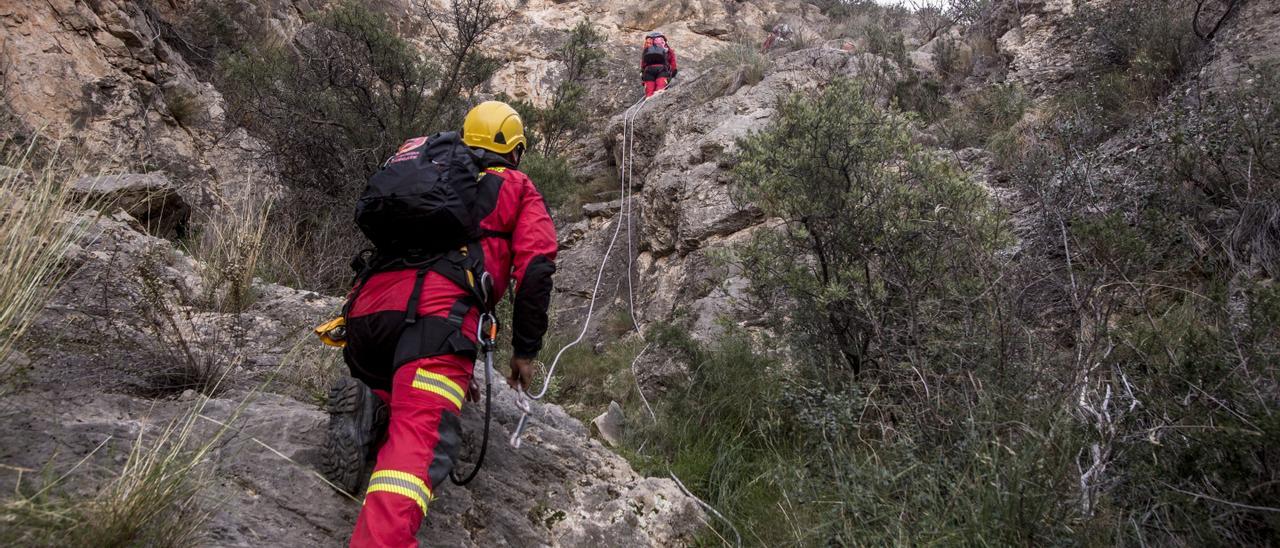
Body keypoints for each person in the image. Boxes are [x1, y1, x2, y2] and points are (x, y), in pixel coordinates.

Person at [323, 101, 558, 547]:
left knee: (404, 394)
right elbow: (536, 270)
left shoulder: (435, 175)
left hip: (367, 318)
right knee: (421, 435)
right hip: (434, 324)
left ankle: (371, 404)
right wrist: (525, 351)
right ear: (514, 149)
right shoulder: (516, 187)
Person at [640, 31, 678, 97]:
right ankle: (658, 94)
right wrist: (673, 71)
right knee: (661, 84)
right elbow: (673, 62)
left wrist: (643, 73)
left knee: (649, 85)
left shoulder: (647, 49)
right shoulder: (667, 49)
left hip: (648, 70)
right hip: (662, 68)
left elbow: (643, 63)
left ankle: (649, 96)